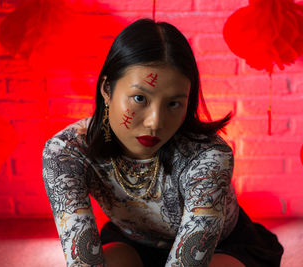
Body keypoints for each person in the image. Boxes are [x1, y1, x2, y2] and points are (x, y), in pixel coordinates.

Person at [42, 18, 283, 267]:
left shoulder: (209, 157)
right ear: (107, 88)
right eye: (139, 98)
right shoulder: (65, 152)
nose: (155, 123)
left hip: (218, 249)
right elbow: (83, 262)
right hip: (133, 244)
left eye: (173, 104)